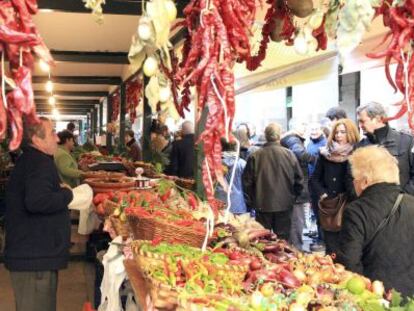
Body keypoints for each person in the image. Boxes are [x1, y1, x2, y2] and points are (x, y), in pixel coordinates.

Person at [5, 117, 73, 311]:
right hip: (33, 260)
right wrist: (66, 194)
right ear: (36, 139)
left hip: (35, 256)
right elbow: (37, 201)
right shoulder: (38, 163)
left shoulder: (35, 160)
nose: (57, 139)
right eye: (52, 133)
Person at [337, 146, 414, 297]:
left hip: (377, 297)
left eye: (355, 180)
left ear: (365, 182)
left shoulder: (356, 211)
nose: (354, 184)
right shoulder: (412, 203)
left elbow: (349, 264)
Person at [242, 123, 304, 240]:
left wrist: (252, 202)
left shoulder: (255, 156)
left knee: (263, 240)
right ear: (279, 136)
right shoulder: (289, 155)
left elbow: (247, 183)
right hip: (284, 203)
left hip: (262, 205)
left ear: (265, 136)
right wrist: (292, 197)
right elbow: (299, 181)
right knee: (283, 241)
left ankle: (265, 258)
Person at [310, 118, 359, 255]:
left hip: (350, 204)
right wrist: (324, 194)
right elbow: (314, 179)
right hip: (330, 206)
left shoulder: (357, 153)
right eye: (336, 132)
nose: (338, 135)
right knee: (331, 248)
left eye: (343, 132)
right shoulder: (325, 153)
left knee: (349, 246)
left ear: (350, 133)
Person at [357, 102, 414, 195]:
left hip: (401, 205)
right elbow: (351, 179)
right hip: (370, 205)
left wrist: (401, 198)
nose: (360, 125)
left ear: (377, 119)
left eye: (362, 121)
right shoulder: (359, 146)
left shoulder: (407, 141)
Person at [281, 119, 314, 250]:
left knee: (295, 221)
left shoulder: (290, 139)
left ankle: (293, 249)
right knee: (296, 222)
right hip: (296, 189)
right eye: (303, 124)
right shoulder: (293, 140)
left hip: (292, 187)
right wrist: (316, 159)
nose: (305, 127)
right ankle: (296, 251)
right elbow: (300, 154)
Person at [306, 122, 327, 242]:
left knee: (322, 213)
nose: (314, 131)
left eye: (316, 129)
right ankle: (320, 237)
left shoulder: (324, 144)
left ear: (322, 131)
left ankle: (323, 240)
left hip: (320, 183)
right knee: (316, 212)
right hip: (311, 183)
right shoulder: (309, 144)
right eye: (312, 129)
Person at [215, 138, 247, 214]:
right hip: (238, 205)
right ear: (235, 147)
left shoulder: (214, 164)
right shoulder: (242, 164)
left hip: (219, 204)